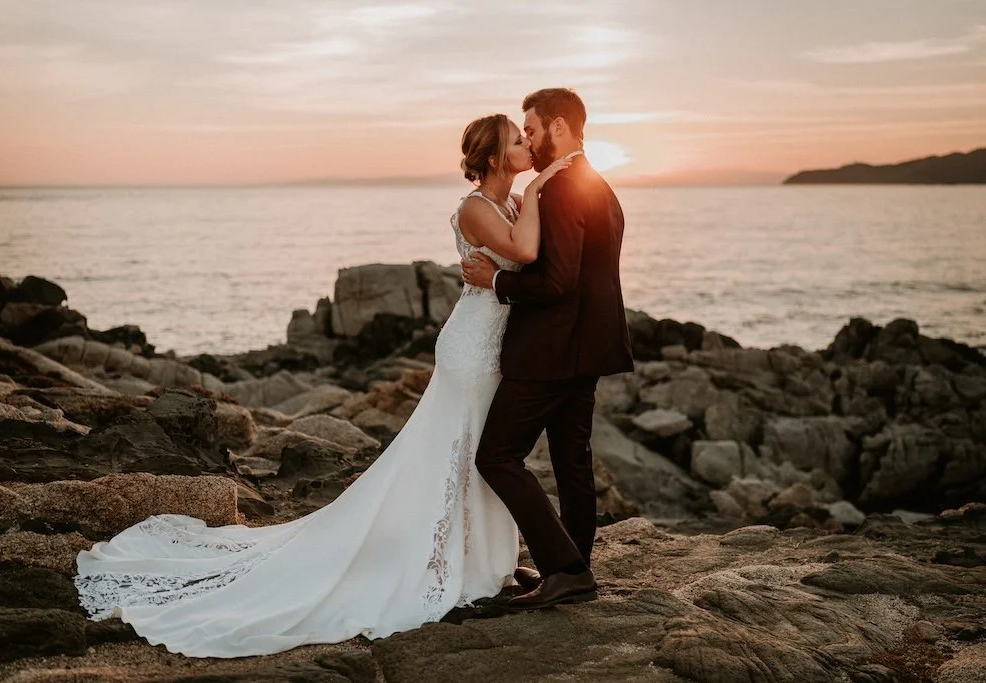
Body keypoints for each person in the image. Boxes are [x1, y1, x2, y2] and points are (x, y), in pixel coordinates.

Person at [72, 113, 570, 658]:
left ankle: (478, 560)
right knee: (458, 450)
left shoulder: (511, 204)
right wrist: (544, 185)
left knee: (477, 451)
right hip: (471, 349)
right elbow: (522, 254)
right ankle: (444, 560)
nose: (527, 146)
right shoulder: (476, 207)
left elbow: (532, 255)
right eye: (518, 141)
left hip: (494, 345)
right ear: (497, 158)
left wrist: (532, 199)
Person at [461, 88, 634, 610]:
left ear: (559, 127)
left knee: (497, 456)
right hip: (589, 349)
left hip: (551, 352)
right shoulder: (597, 184)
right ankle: (573, 567)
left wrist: (497, 282)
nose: (528, 140)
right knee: (571, 461)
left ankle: (564, 568)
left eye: (531, 129)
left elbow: (557, 281)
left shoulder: (558, 190)